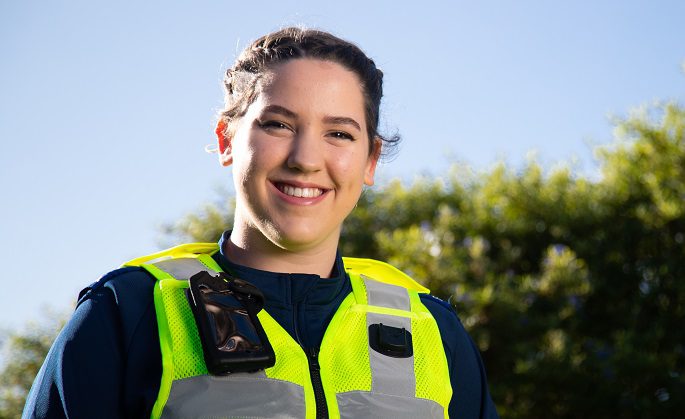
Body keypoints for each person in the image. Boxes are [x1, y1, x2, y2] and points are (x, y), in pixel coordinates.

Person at [23, 27, 499, 419]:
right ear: (226, 139)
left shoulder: (434, 330)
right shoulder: (127, 311)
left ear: (370, 159)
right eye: (278, 125)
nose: (307, 159)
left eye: (339, 133)